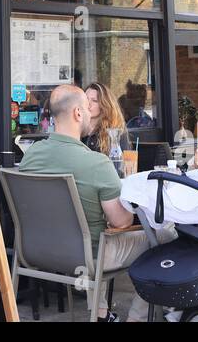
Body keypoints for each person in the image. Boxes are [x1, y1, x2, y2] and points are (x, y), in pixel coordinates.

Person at [18, 84, 149, 321]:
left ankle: (100, 314)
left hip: (38, 252)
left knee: (91, 231)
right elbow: (121, 221)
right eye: (87, 108)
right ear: (78, 113)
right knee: (160, 239)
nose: (90, 112)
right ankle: (137, 318)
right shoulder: (97, 163)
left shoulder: (31, 155)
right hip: (88, 256)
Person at [83, 82, 131, 172]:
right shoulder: (76, 128)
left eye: (94, 101)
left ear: (104, 105)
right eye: (85, 99)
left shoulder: (115, 131)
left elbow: (121, 167)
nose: (88, 104)